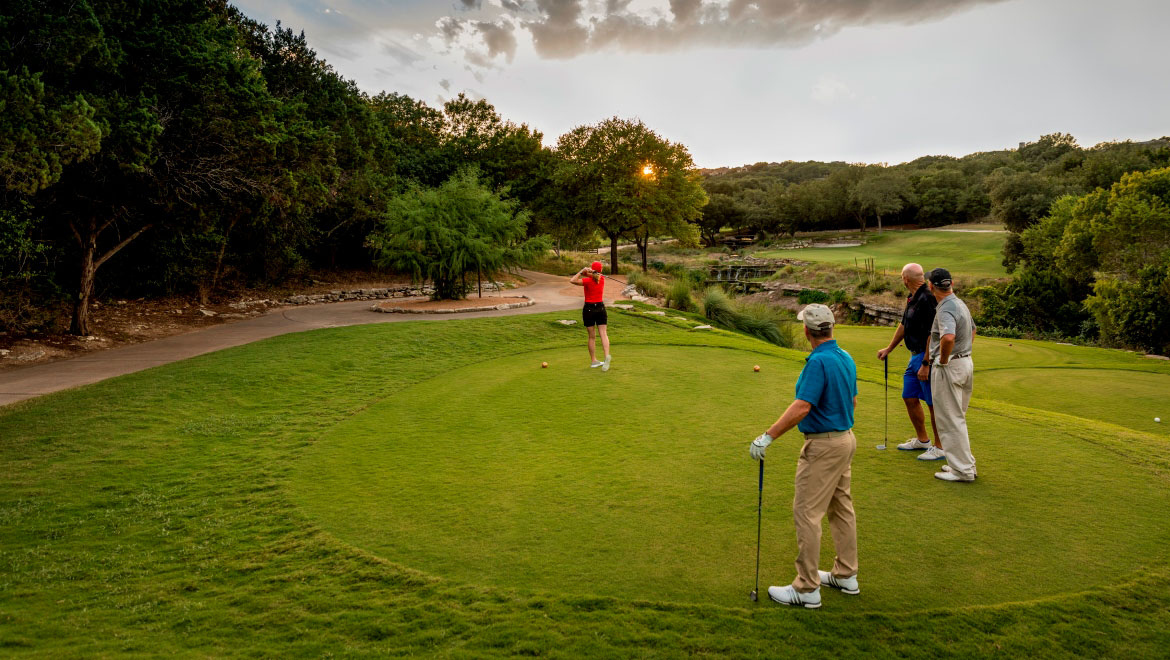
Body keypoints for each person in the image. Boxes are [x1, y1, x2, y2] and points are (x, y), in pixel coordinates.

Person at [748, 303, 859, 609]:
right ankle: (846, 574)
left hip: (823, 446)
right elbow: (852, 401)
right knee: (841, 507)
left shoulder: (818, 363)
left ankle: (807, 588)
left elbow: (802, 407)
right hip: (845, 439)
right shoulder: (845, 357)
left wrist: (767, 436)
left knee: (807, 513)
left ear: (807, 331)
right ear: (831, 328)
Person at [876, 263, 945, 461]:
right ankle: (923, 440)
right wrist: (889, 348)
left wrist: (926, 363)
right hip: (914, 356)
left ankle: (940, 447)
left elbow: (934, 332)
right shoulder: (913, 298)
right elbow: (904, 324)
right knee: (909, 396)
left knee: (933, 404)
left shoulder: (928, 298)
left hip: (926, 357)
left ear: (906, 279)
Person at [918, 268, 978, 482]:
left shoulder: (945, 308)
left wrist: (943, 361)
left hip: (950, 366)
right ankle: (964, 464)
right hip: (965, 362)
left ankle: (962, 471)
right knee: (957, 418)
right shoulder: (959, 303)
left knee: (949, 419)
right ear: (950, 284)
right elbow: (972, 330)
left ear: (931, 285)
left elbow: (948, 337)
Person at [569, 260, 611, 371]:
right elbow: (594, 275)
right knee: (603, 334)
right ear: (601, 270)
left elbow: (572, 280)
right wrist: (588, 271)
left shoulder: (587, 281)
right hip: (601, 308)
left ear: (592, 269)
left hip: (589, 309)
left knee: (592, 337)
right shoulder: (601, 279)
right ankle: (607, 356)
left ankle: (594, 361)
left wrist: (582, 271)